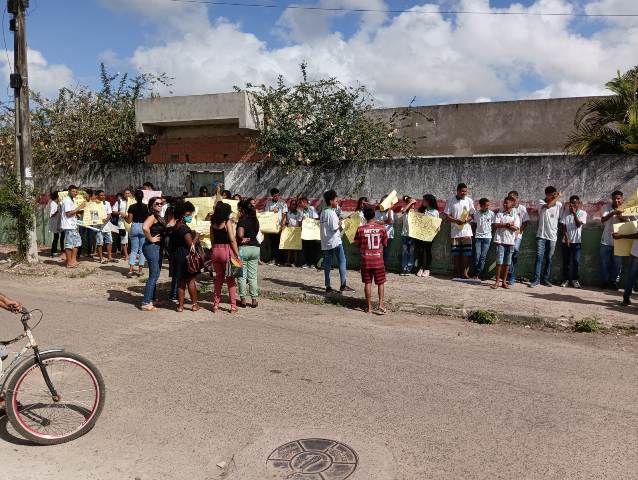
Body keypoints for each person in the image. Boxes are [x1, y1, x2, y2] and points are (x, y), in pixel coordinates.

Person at [354, 206, 388, 314]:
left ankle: (369, 307)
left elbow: (357, 244)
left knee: (367, 283)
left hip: (366, 261)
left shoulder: (360, 229)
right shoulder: (382, 228)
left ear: (364, 216)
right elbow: (385, 243)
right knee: (381, 283)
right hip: (378, 260)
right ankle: (381, 304)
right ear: (374, 215)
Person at [320, 190, 354, 293]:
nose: (337, 203)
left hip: (326, 242)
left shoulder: (323, 212)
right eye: (336, 201)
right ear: (331, 201)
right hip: (335, 241)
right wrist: (344, 221)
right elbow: (335, 227)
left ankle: (328, 286)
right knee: (342, 261)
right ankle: (343, 285)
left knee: (327, 264)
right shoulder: (331, 213)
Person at [210, 202, 240, 313]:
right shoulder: (227, 222)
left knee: (218, 279)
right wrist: (237, 254)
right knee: (231, 280)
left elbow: (212, 240)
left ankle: (215, 305)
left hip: (216, 251)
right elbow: (232, 239)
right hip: (227, 252)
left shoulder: (212, 223)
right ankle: (233, 306)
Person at [529, 186, 562, 288]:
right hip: (541, 235)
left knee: (549, 258)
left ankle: (546, 279)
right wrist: (558, 197)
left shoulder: (559, 205)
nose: (553, 197)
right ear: (547, 195)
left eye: (554, 195)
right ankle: (536, 280)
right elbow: (548, 206)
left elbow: (559, 219)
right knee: (539, 258)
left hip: (552, 236)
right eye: (551, 195)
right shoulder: (541, 202)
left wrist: (557, 199)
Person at [170, 201, 199, 312]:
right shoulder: (184, 229)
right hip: (185, 258)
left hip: (177, 257)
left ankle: (180, 306)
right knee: (190, 281)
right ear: (183, 214)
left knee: (180, 282)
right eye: (189, 214)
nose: (191, 216)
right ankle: (195, 304)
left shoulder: (176, 226)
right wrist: (196, 236)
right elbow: (191, 245)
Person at [140, 197, 167, 311]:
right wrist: (151, 238)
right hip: (152, 247)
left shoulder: (158, 216)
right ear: (151, 206)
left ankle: (152, 298)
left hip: (156, 247)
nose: (160, 205)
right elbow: (145, 227)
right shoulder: (152, 217)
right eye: (157, 203)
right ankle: (146, 302)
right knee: (154, 276)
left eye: (161, 203)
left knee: (154, 274)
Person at [444, 183, 475, 279]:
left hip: (466, 231)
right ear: (457, 191)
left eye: (465, 191)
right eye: (462, 191)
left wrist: (466, 220)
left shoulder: (469, 200)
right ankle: (457, 272)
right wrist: (456, 221)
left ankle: (465, 273)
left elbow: (472, 215)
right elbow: (447, 216)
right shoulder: (451, 200)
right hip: (455, 232)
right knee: (455, 253)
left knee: (467, 253)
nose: (464, 193)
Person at [491, 196, 520, 289]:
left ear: (512, 204)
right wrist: (507, 224)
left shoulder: (515, 215)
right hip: (500, 241)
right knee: (499, 262)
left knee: (507, 263)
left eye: (507, 203)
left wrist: (504, 225)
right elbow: (495, 225)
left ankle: (504, 282)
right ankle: (497, 282)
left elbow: (516, 228)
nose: (505, 204)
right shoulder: (500, 213)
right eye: (504, 203)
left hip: (510, 242)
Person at [600, 191, 628, 290]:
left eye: (619, 198)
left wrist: (621, 217)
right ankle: (605, 281)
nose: (617, 200)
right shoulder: (606, 207)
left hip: (620, 240)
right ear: (612, 199)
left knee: (617, 264)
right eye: (615, 198)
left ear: (622, 198)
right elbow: (603, 220)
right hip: (606, 240)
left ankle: (614, 282)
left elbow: (630, 223)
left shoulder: (626, 208)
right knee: (605, 262)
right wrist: (613, 212)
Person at [236, 200, 260, 308]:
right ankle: (254, 300)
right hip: (255, 248)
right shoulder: (255, 220)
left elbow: (240, 235)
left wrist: (240, 238)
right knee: (253, 276)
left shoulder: (242, 220)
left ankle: (243, 300)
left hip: (244, 249)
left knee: (242, 275)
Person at [560, 195, 587, 289]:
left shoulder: (583, 213)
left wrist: (574, 214)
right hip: (566, 241)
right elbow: (563, 226)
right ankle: (566, 279)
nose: (572, 205)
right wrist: (566, 238)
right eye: (571, 203)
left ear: (578, 204)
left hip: (577, 242)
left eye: (574, 203)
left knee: (576, 261)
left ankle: (575, 280)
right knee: (566, 262)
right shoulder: (565, 212)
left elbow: (578, 225)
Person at [507, 191, 530, 286]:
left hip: (517, 235)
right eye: (510, 198)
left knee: (515, 251)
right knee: (509, 254)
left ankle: (511, 275)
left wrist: (520, 230)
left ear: (517, 199)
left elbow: (526, 221)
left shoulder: (522, 208)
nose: (511, 200)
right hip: (507, 235)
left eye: (513, 199)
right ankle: (508, 276)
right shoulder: (507, 207)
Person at [60, 185, 85, 268]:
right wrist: (79, 208)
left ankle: (73, 260)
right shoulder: (67, 200)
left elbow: (72, 212)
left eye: (76, 191)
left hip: (73, 225)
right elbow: (68, 213)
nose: (75, 193)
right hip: (69, 226)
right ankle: (69, 262)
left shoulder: (72, 200)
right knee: (69, 244)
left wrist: (78, 212)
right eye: (73, 191)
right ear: (69, 191)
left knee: (77, 243)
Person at [415, 194, 440, 277]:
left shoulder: (435, 212)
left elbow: (437, 225)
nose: (423, 202)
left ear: (429, 201)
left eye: (424, 200)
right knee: (420, 251)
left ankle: (427, 269)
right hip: (420, 234)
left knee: (428, 251)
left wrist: (435, 230)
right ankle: (421, 267)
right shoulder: (421, 210)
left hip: (429, 235)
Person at [126, 188, 149, 278]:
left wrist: (124, 216)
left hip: (135, 226)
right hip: (143, 226)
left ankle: (131, 270)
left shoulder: (132, 207)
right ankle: (140, 270)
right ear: (142, 197)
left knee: (133, 250)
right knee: (142, 250)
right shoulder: (145, 207)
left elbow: (129, 221)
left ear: (135, 197)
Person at [612, 229, 638, 306]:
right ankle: (626, 299)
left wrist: (621, 236)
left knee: (631, 277)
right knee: (631, 277)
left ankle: (626, 299)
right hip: (635, 253)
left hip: (636, 254)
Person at [472, 198, 495, 280]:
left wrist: (489, 233)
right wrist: (476, 233)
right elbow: (474, 224)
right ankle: (475, 273)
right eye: (486, 205)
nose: (488, 207)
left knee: (483, 257)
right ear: (481, 206)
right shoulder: (476, 213)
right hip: (478, 237)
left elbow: (493, 225)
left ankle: (478, 274)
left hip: (487, 238)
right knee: (477, 256)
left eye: (488, 205)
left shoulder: (492, 214)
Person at [265, 188, 288, 265]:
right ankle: (273, 259)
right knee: (273, 242)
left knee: (281, 243)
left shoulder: (283, 202)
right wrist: (272, 211)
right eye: (275, 196)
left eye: (278, 195)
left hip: (280, 225)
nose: (277, 197)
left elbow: (284, 214)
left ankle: (281, 260)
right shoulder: (269, 203)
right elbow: (266, 214)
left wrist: (283, 224)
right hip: (272, 226)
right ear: (272, 196)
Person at [297, 196, 320, 268]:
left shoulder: (312, 209)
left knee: (313, 247)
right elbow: (299, 223)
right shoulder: (301, 211)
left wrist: (308, 219)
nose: (300, 204)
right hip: (305, 233)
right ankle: (307, 262)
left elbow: (316, 218)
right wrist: (302, 220)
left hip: (312, 232)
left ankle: (313, 263)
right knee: (306, 248)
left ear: (305, 202)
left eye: (301, 203)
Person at [375, 197, 395, 268]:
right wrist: (385, 221)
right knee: (378, 251)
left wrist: (389, 209)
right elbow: (375, 222)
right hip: (378, 235)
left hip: (388, 235)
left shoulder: (391, 212)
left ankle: (383, 267)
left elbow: (390, 221)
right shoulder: (377, 212)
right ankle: (378, 266)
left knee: (386, 252)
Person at [112, 189, 132, 261]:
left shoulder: (133, 201)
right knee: (124, 238)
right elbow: (113, 211)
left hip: (131, 222)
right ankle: (126, 255)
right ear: (123, 194)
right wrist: (120, 213)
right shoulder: (119, 201)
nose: (127, 194)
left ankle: (131, 254)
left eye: (128, 193)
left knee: (132, 238)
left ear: (130, 194)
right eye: (126, 193)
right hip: (122, 222)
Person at [399, 196, 417, 275]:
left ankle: (409, 268)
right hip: (405, 234)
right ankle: (404, 268)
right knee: (405, 251)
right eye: (411, 204)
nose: (412, 205)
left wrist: (412, 204)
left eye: (413, 204)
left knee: (411, 251)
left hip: (412, 235)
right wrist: (410, 202)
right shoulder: (404, 211)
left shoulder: (415, 213)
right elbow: (403, 211)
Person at [95, 190, 114, 263]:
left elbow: (109, 213)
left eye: (103, 195)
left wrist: (106, 219)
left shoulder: (107, 203)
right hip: (98, 225)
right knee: (100, 242)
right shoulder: (94, 204)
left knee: (109, 241)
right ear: (97, 196)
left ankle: (109, 257)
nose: (103, 196)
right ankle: (101, 258)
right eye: (101, 195)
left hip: (107, 225)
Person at [285, 198, 302, 267]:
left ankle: (295, 262)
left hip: (296, 230)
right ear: (290, 205)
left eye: (295, 205)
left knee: (295, 247)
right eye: (292, 204)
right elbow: (287, 221)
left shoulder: (299, 213)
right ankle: (288, 261)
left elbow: (300, 222)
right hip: (289, 230)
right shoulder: (288, 213)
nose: (293, 206)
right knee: (289, 247)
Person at [48, 191, 64, 258]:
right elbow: (51, 215)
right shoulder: (53, 203)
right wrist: (57, 211)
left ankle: (62, 251)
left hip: (60, 222)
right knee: (56, 237)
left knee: (62, 237)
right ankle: (53, 252)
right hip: (55, 223)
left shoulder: (59, 203)